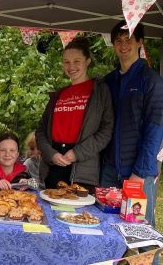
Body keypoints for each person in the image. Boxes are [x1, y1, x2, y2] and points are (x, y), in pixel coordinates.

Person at [101, 20, 163, 227]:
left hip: (138, 172)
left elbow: (155, 129)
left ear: (140, 42)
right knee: (106, 224)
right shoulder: (108, 82)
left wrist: (140, 172)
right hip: (109, 170)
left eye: (128, 40)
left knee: (140, 231)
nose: (123, 45)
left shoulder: (151, 80)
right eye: (118, 41)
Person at [35, 37, 114, 193]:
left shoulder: (99, 91)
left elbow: (105, 132)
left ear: (87, 61)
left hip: (82, 167)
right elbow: (41, 131)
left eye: (77, 61)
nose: (71, 67)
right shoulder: (59, 94)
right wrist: (51, 154)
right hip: (54, 165)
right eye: (66, 62)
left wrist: (77, 153)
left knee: (79, 216)